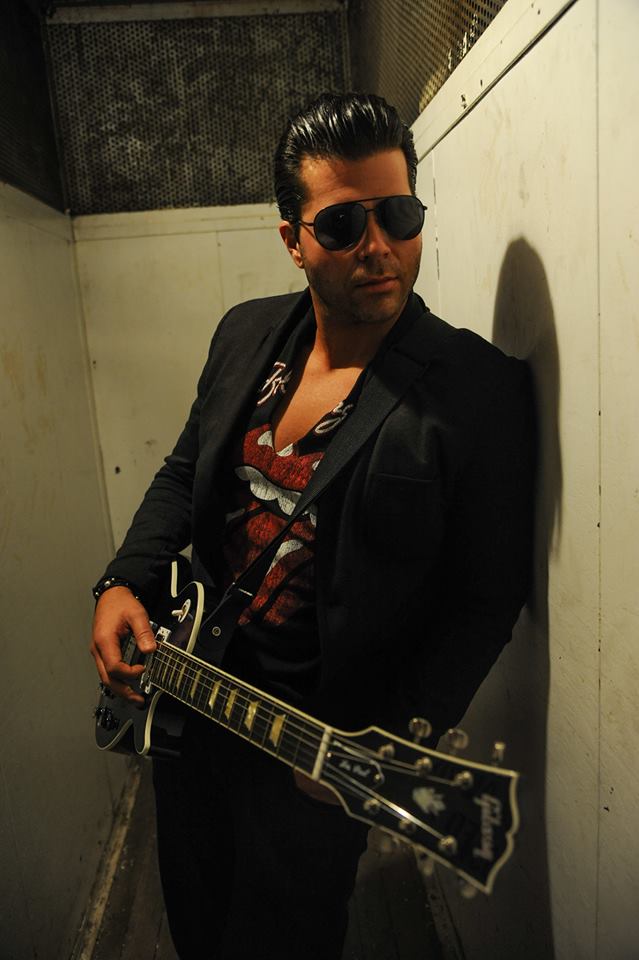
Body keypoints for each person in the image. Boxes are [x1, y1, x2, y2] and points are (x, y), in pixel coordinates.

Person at [90, 92, 535, 960]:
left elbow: (484, 602)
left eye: (397, 215)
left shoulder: (476, 391)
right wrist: (120, 581)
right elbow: (183, 472)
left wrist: (385, 749)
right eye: (341, 224)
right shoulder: (245, 334)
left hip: (314, 752)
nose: (377, 246)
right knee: (196, 922)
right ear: (292, 239)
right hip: (189, 700)